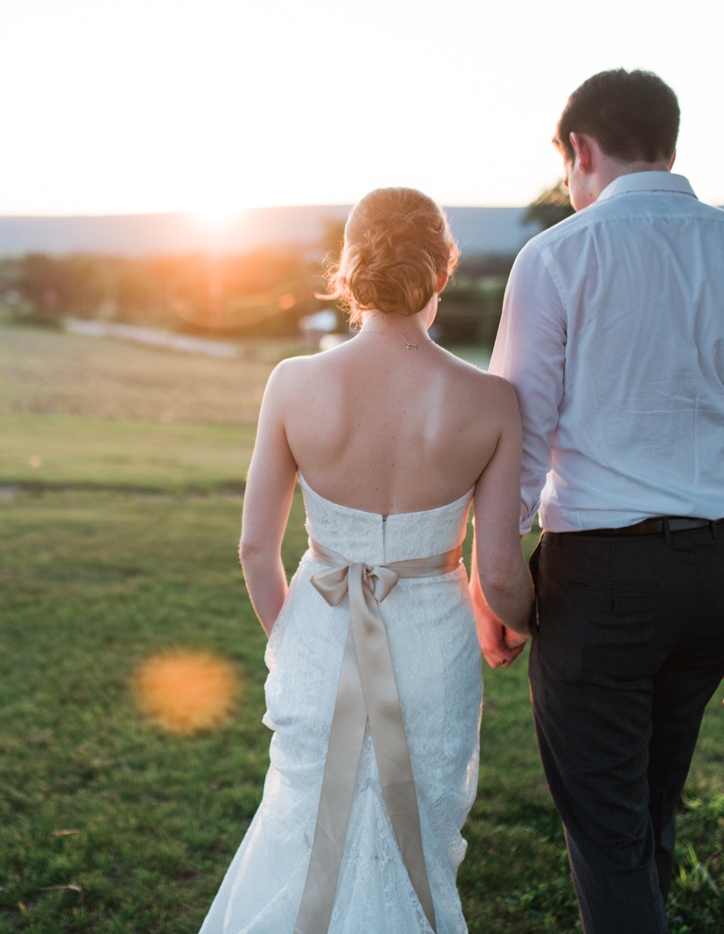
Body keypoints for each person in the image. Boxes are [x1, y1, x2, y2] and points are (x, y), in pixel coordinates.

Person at [489, 69, 724, 933]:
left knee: (607, 838)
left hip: (598, 583)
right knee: (648, 813)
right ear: (669, 143)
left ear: (580, 150)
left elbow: (519, 445)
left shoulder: (557, 256)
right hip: (717, 575)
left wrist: (495, 586)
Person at [200, 187, 533, 934]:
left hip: (319, 630)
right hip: (433, 644)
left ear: (348, 272)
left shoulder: (293, 384)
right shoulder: (490, 402)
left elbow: (257, 547)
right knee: (413, 833)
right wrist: (517, 622)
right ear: (443, 270)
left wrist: (295, 635)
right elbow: (502, 574)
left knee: (302, 828)